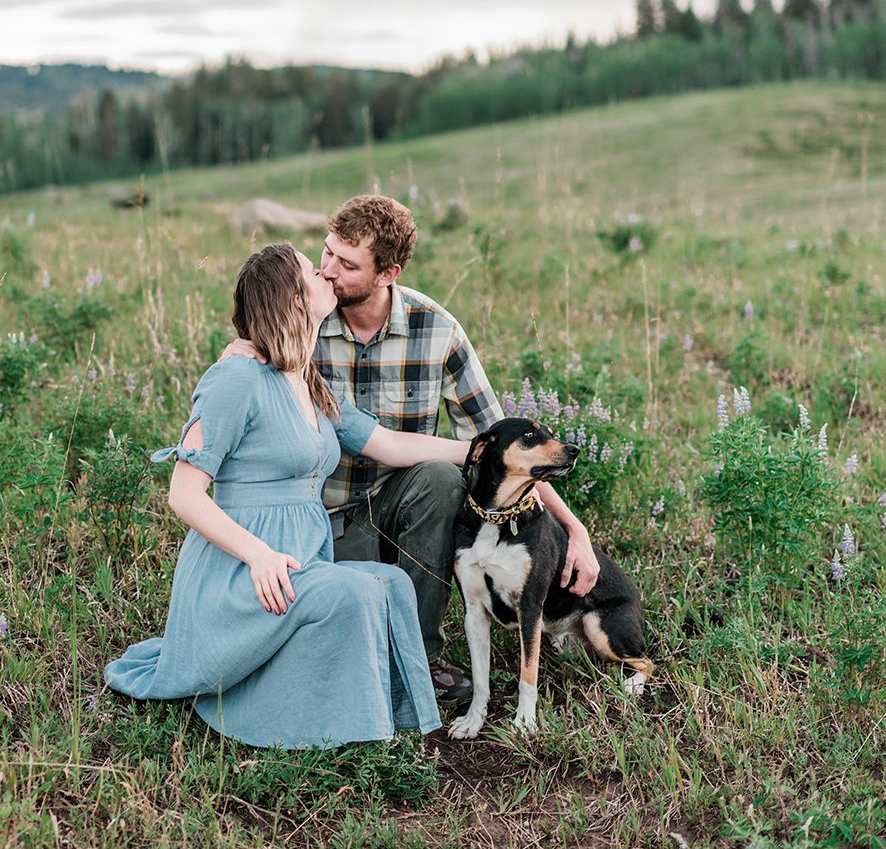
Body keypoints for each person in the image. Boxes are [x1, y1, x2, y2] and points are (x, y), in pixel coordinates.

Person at [227, 195, 600, 703]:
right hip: (322, 517)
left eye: (347, 264)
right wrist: (240, 349)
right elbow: (243, 378)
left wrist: (574, 530)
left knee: (444, 479)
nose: (328, 271)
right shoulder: (303, 319)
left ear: (389, 272)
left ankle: (421, 655)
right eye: (328, 253)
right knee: (331, 645)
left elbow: (502, 450)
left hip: (405, 507)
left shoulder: (437, 331)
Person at [104, 243, 474, 749]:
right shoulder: (235, 379)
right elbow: (184, 495)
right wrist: (258, 556)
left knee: (389, 584)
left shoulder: (308, 381)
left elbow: (387, 444)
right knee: (357, 591)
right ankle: (342, 731)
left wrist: (481, 451)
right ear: (294, 301)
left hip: (302, 556)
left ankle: (379, 711)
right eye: (313, 273)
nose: (326, 274)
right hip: (240, 571)